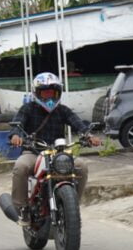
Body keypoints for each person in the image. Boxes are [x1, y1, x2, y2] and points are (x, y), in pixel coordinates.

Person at [9, 72, 100, 226]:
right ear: (37, 93)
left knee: (81, 167)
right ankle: (22, 209)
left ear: (58, 93)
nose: (49, 96)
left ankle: (72, 208)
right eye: (45, 92)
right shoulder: (28, 109)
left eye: (52, 92)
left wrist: (88, 135)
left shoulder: (63, 110)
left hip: (58, 153)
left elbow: (78, 123)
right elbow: (18, 124)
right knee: (20, 167)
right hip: (34, 151)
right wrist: (16, 136)